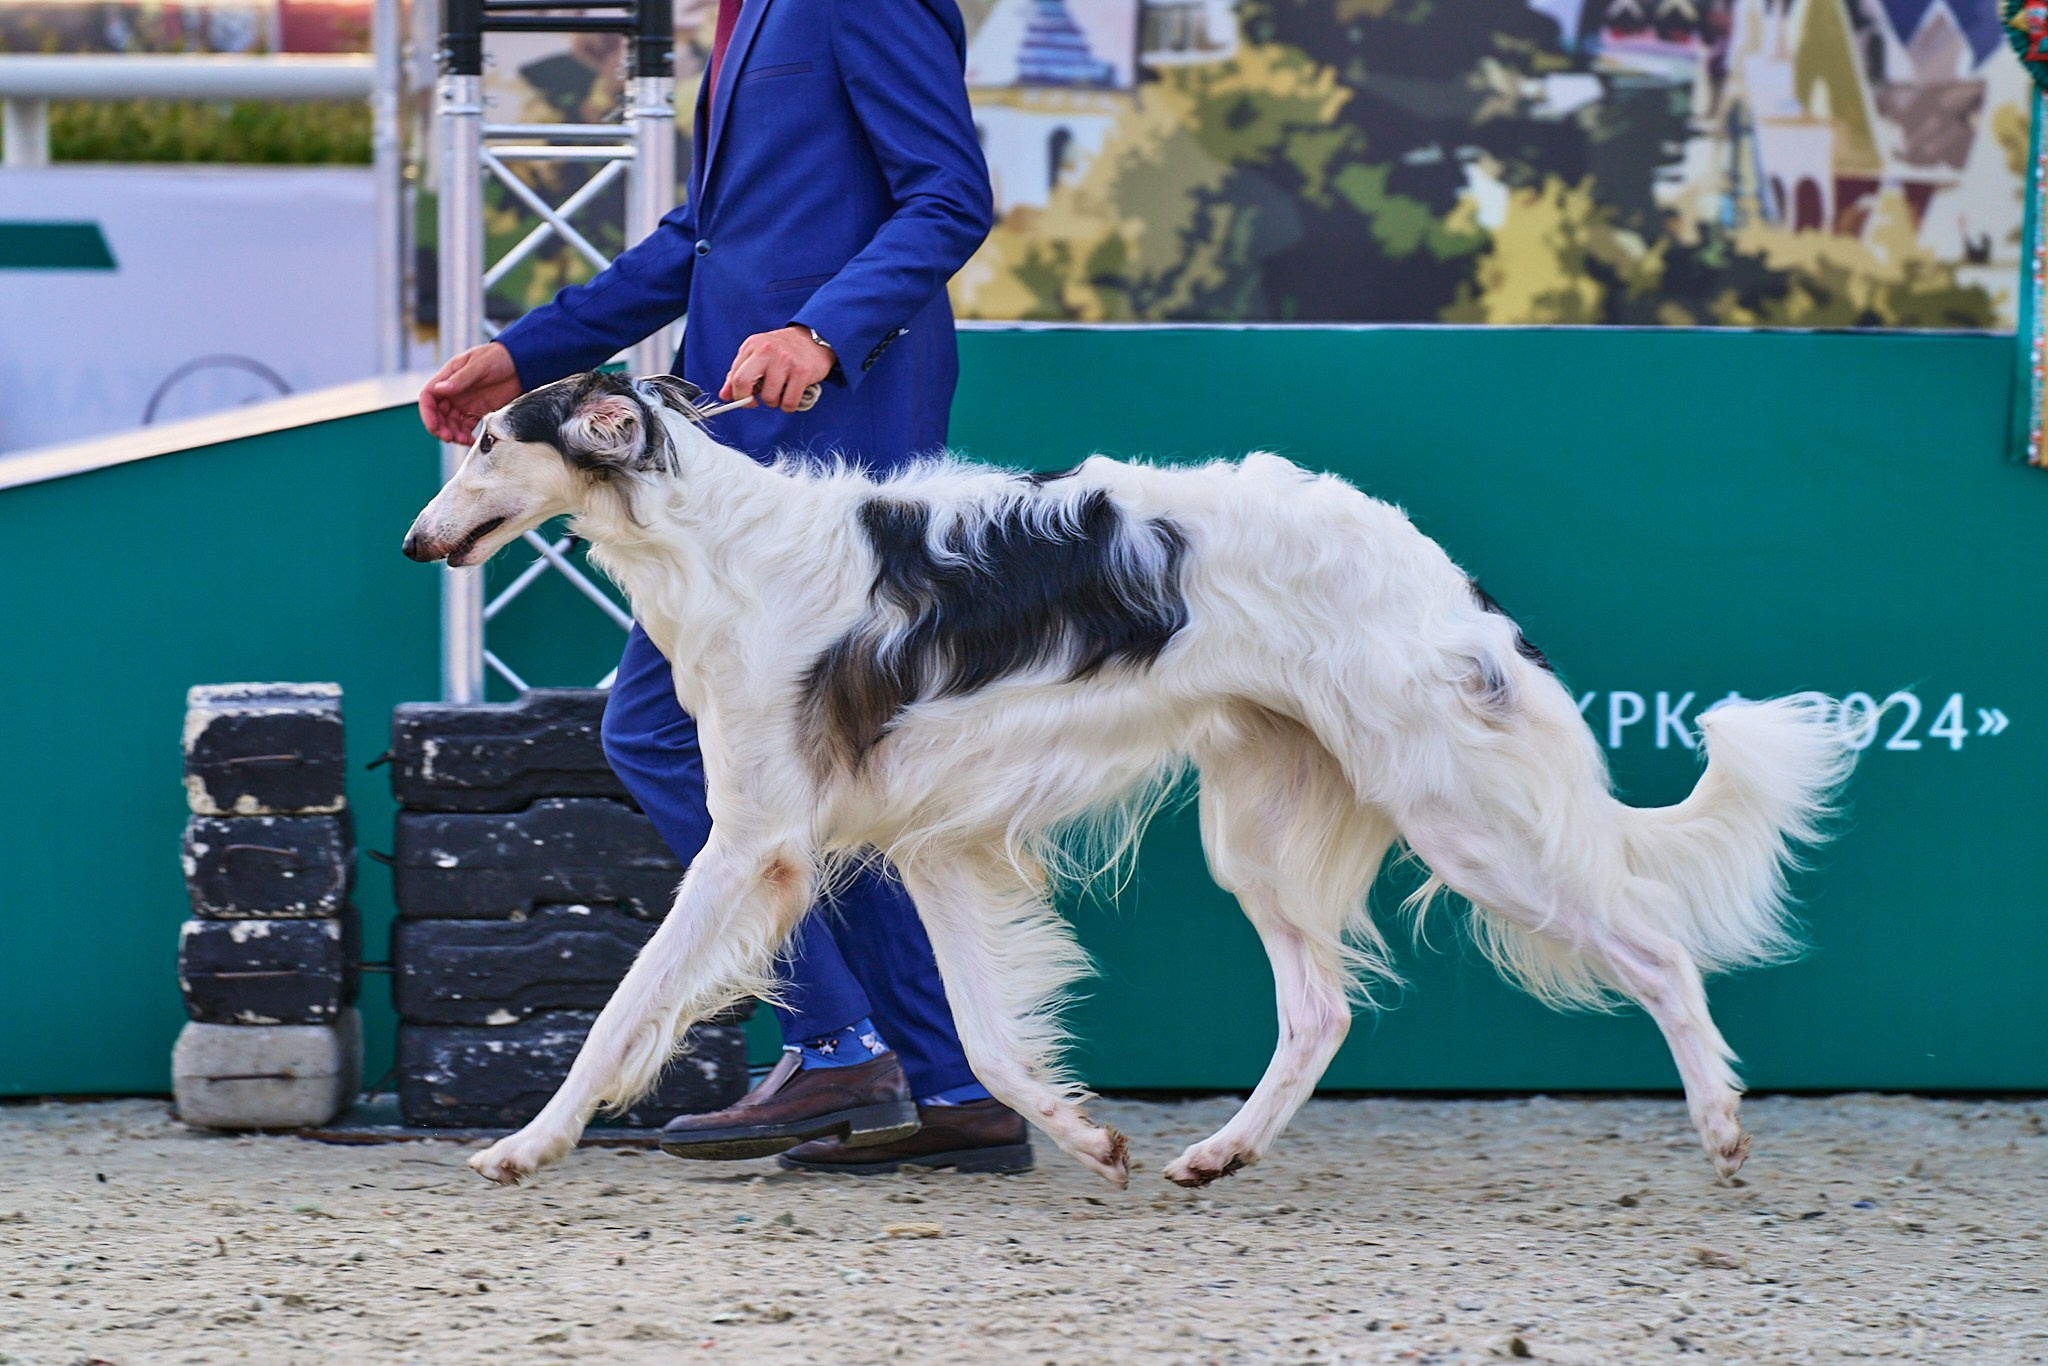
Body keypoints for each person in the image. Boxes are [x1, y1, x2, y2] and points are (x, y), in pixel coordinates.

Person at [417, 0, 1027, 1175]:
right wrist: (524, 353)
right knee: (842, 774)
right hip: (741, 469)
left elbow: (949, 194)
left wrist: (821, 331)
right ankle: (950, 1084)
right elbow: (698, 239)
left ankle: (842, 1045)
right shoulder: (751, 15)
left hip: (833, 460)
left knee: (658, 729)